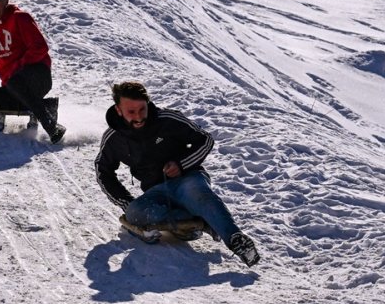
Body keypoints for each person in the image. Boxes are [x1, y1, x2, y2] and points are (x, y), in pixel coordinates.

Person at [94, 81, 260, 267]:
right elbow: (103, 171)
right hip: (156, 192)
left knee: (199, 195)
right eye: (131, 112)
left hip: (187, 180)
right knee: (135, 213)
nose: (139, 117)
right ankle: (195, 221)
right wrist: (125, 201)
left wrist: (182, 165)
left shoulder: (168, 119)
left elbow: (205, 139)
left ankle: (237, 241)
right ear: (118, 110)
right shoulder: (114, 137)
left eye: (142, 109)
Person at [0, 0, 65, 143]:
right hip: (14, 84)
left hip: (38, 76)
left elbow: (40, 47)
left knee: (14, 81)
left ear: (6, 1)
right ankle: (46, 106)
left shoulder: (20, 18)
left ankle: (52, 126)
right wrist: (8, 81)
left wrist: (17, 69)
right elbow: (0, 64)